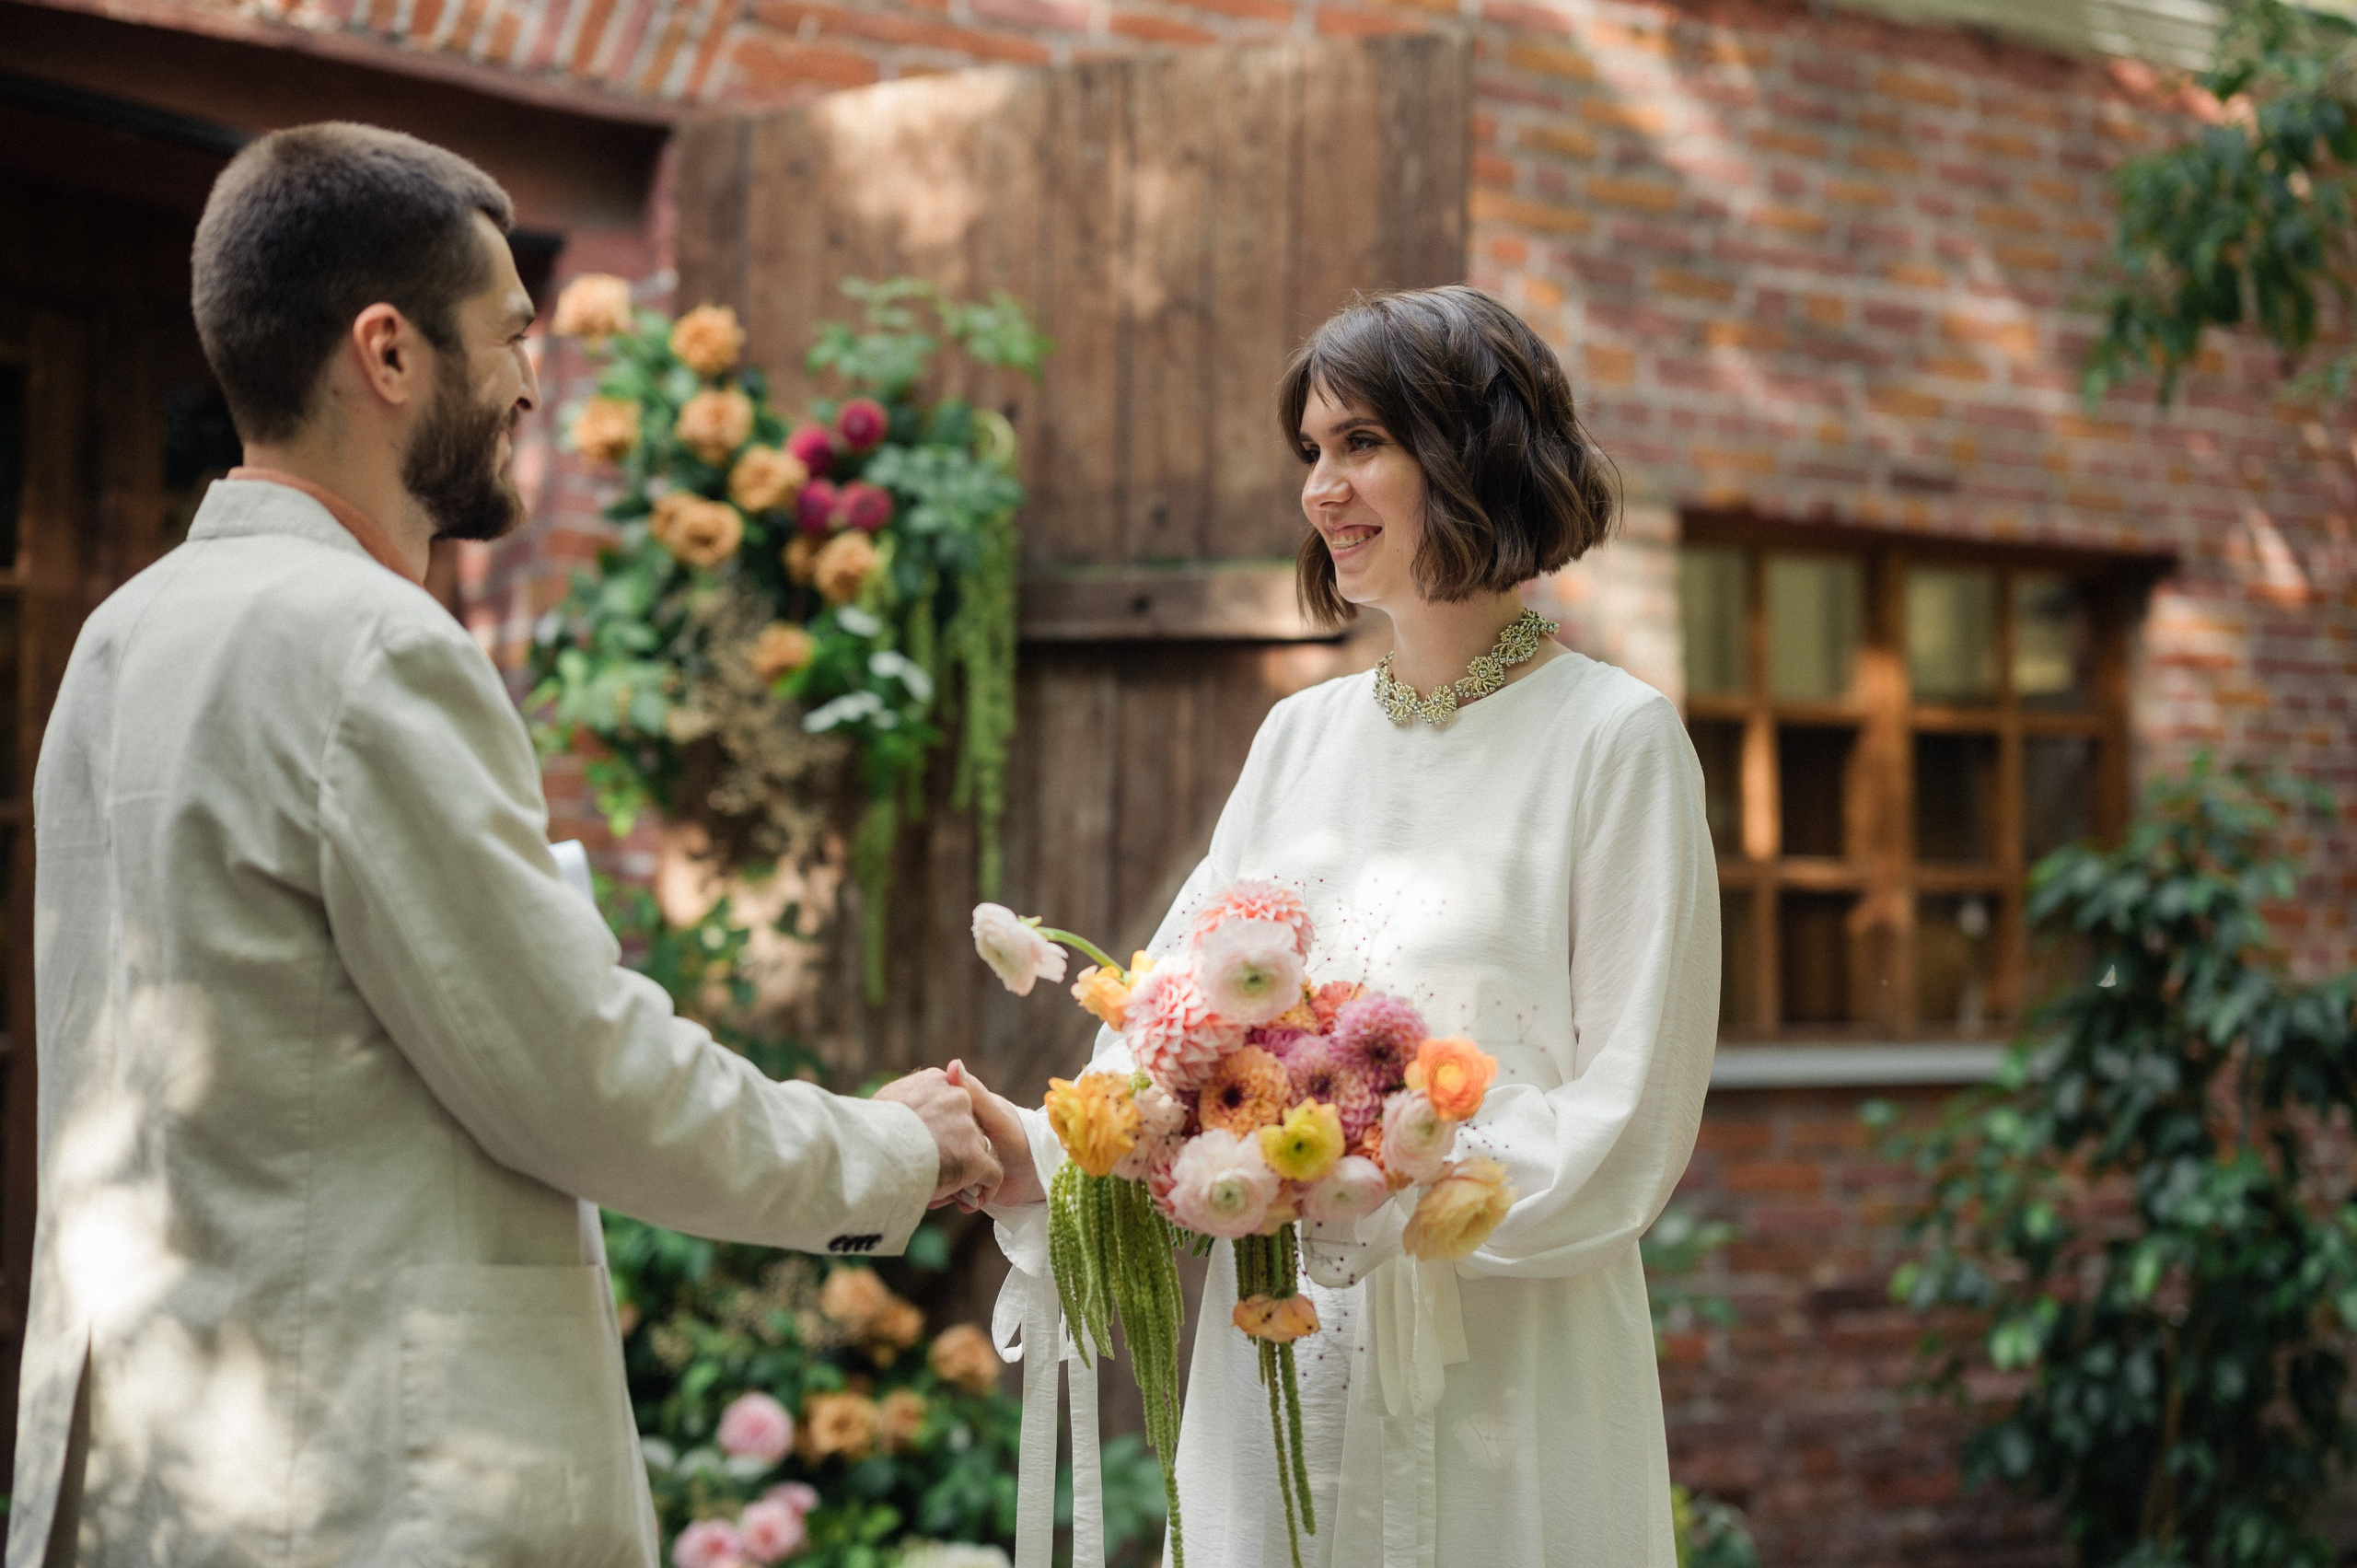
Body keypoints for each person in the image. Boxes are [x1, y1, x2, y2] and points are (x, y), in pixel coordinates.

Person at [6, 123, 1000, 1568]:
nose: (535, 382)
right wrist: (883, 1149)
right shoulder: (369, 646)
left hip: (155, 1484)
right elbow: (578, 1076)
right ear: (391, 353)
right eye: (511, 338)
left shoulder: (120, 637)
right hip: (353, 1492)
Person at [973, 285, 1719, 1567]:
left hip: (1502, 1373)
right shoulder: (1300, 738)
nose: (1322, 488)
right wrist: (1049, 1147)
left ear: (1476, 454)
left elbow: (1631, 1118)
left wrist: (1379, 1181)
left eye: (1363, 443)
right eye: (1312, 452)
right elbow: (1170, 1026)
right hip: (1281, 1358)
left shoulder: (1615, 740)